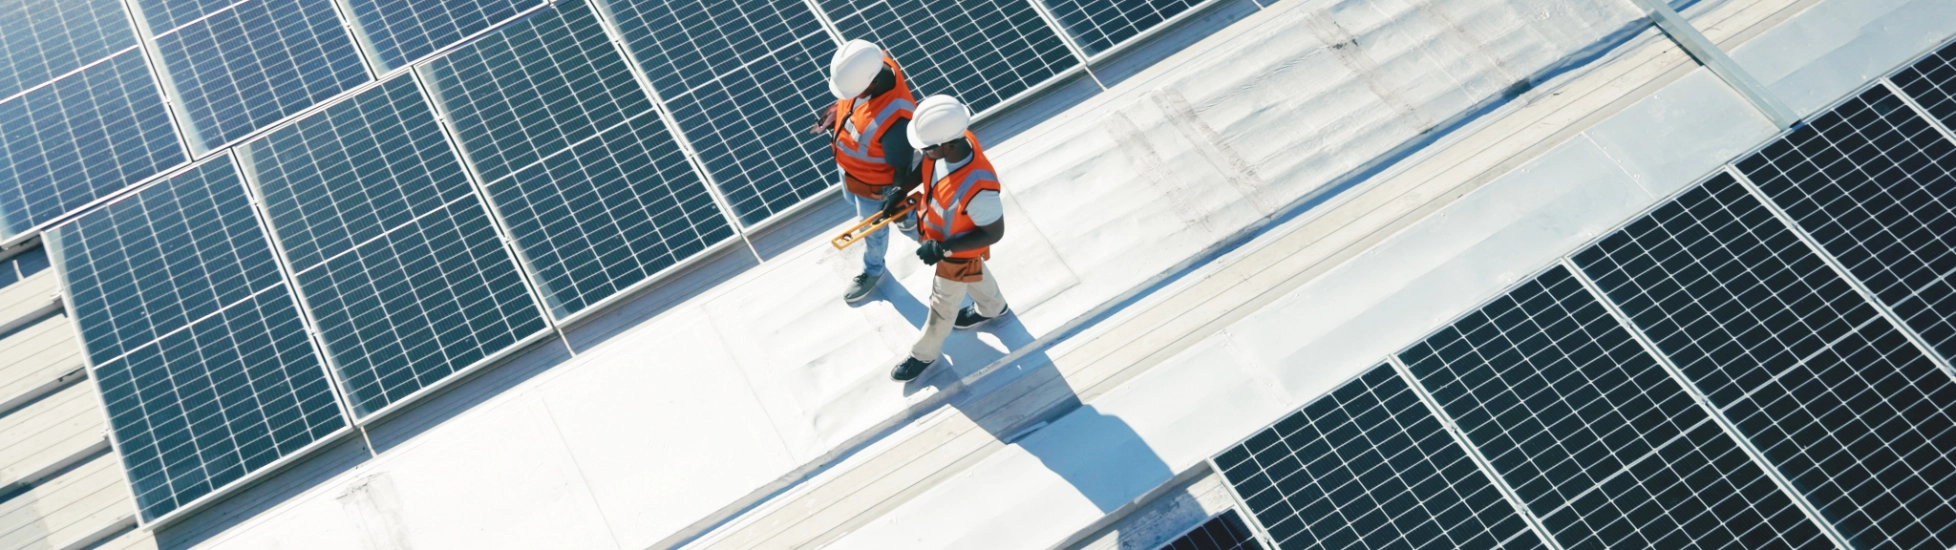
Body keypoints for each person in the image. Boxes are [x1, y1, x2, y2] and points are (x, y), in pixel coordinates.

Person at [890, 95, 1010, 382]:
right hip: (947, 243)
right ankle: (994, 308)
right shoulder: (949, 143)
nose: (923, 152)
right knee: (975, 273)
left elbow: (994, 233)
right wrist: (901, 189)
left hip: (955, 252)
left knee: (942, 307)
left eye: (926, 148)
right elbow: (927, 166)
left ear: (949, 146)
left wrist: (944, 248)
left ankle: (923, 354)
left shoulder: (979, 189)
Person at [817, 39, 920, 303]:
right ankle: (906, 217)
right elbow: (855, 106)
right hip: (850, 171)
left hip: (875, 188)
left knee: (874, 233)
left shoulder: (896, 121)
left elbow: (902, 169)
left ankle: (873, 269)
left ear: (872, 82)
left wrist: (895, 197)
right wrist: (836, 113)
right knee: (850, 199)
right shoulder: (869, 63)